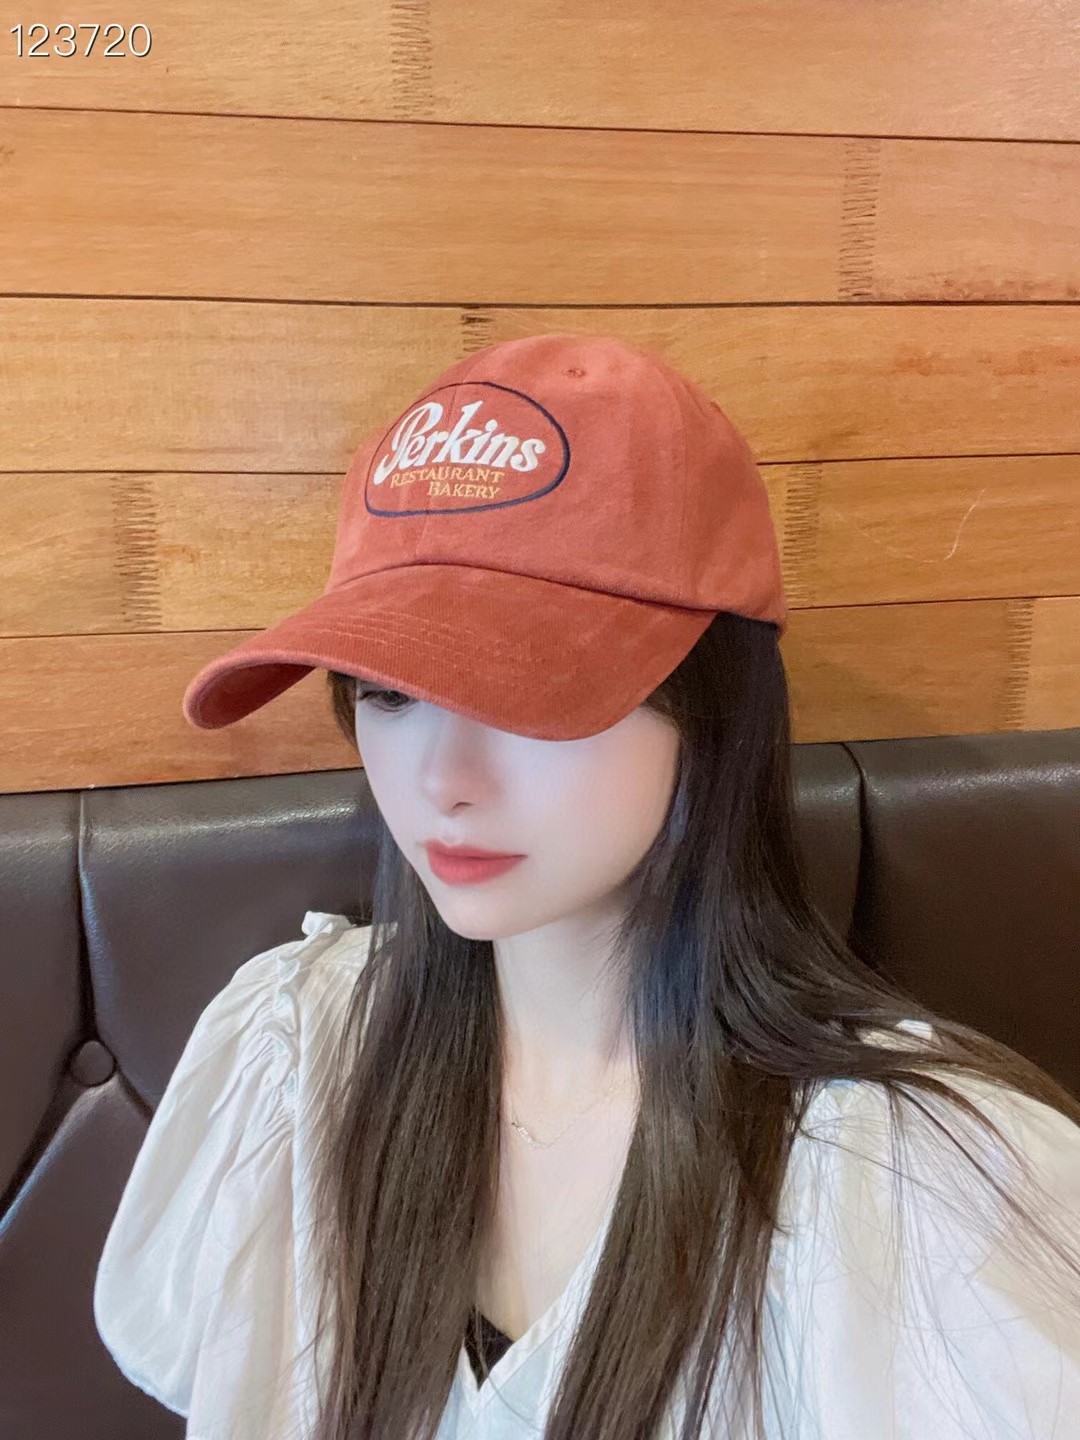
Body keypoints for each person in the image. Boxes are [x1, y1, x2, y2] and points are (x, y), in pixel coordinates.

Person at [94, 333, 1080, 1439]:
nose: (443, 781)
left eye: (527, 689)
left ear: (714, 707)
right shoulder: (298, 1051)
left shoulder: (911, 1190)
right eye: (388, 692)